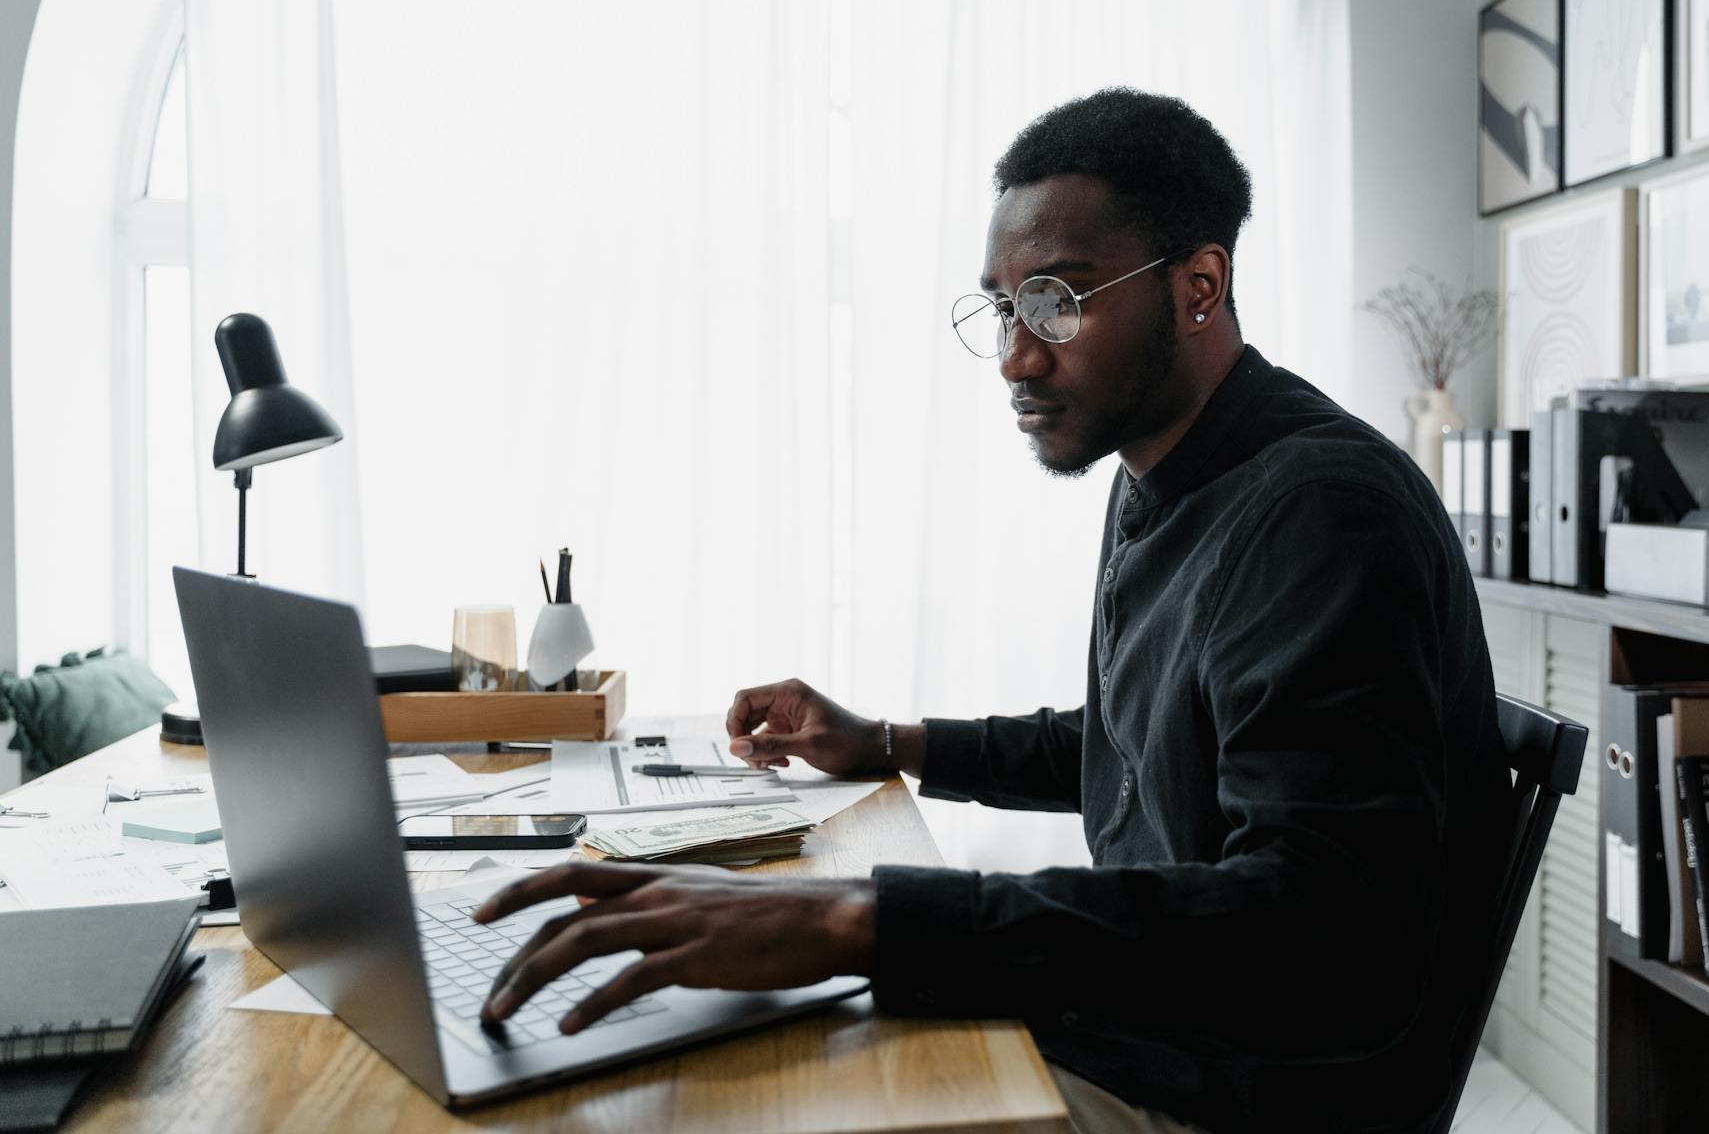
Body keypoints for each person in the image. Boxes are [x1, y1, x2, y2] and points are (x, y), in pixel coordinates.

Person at [474, 88, 1512, 1134]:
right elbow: (1137, 742)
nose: (1017, 355)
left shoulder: (1317, 513)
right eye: (1006, 305)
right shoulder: (1168, 469)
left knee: (711, 1100)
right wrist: (884, 740)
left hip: (1234, 1090)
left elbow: (1327, 944)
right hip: (1155, 1032)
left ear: (1200, 286)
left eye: (1059, 300)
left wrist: (855, 917)